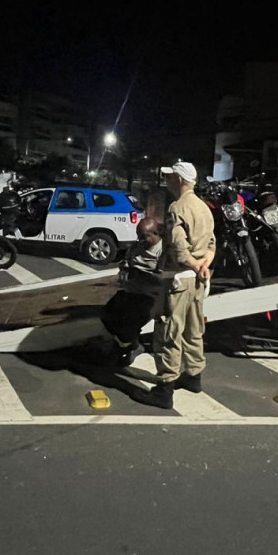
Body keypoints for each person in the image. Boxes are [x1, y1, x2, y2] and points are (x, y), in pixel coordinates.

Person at [144, 161, 215, 409]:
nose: (168, 181)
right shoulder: (203, 208)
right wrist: (204, 264)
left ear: (180, 180)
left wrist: (194, 265)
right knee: (194, 329)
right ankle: (193, 376)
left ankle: (165, 389)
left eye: (171, 177)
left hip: (179, 278)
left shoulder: (177, 207)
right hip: (199, 279)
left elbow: (178, 248)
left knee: (168, 332)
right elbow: (212, 243)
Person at [101, 217, 165, 367]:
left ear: (155, 233)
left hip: (150, 295)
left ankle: (133, 346)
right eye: (138, 236)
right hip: (131, 289)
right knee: (107, 315)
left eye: (144, 237)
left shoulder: (163, 251)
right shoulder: (137, 246)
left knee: (128, 322)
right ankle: (128, 343)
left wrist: (139, 275)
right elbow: (127, 261)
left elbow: (163, 278)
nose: (140, 240)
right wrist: (124, 269)